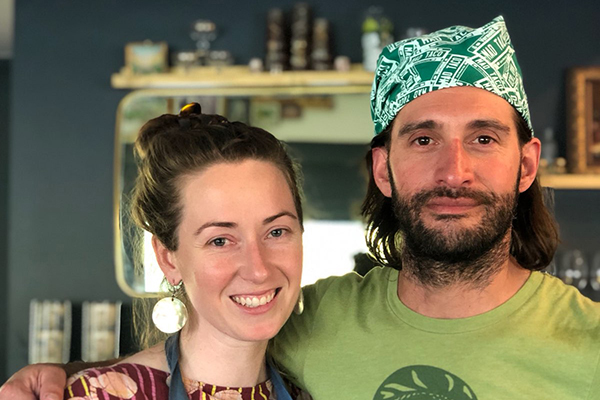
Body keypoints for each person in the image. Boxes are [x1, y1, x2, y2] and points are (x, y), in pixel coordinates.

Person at [2, 16, 600, 400]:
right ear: (382, 169)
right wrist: (73, 380)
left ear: (526, 165)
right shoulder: (314, 317)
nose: (454, 170)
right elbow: (206, 345)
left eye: (484, 138)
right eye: (422, 139)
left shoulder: (590, 347)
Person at [23, 102, 310, 400]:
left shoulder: (315, 390)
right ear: (167, 258)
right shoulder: (98, 395)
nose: (258, 269)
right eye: (220, 241)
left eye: (276, 232)